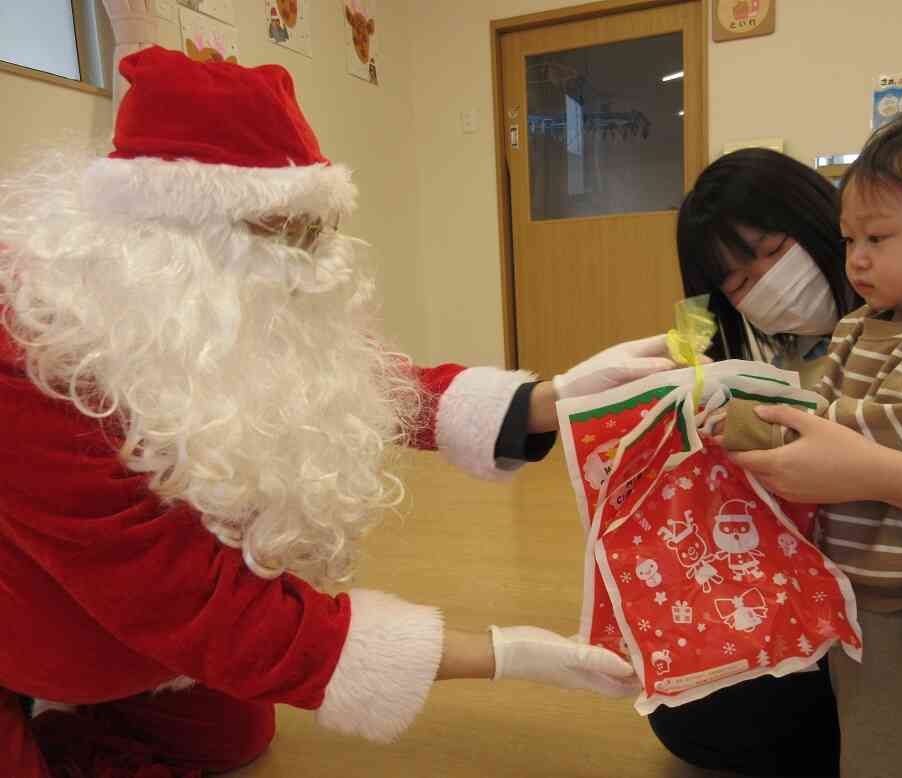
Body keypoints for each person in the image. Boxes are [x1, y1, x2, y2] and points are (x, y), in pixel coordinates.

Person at [0, 47, 675, 776]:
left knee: (234, 742)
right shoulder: (36, 369)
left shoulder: (184, 306)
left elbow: (338, 386)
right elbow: (196, 607)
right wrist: (498, 654)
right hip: (31, 612)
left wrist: (554, 398)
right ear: (164, 239)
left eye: (316, 231)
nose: (311, 263)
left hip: (133, 604)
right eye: (283, 234)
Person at [649, 134, 902, 774]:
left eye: (774, 253)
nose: (857, 259)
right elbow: (811, 424)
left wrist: (835, 453)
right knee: (691, 709)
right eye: (742, 283)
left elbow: (889, 425)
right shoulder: (838, 333)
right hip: (843, 568)